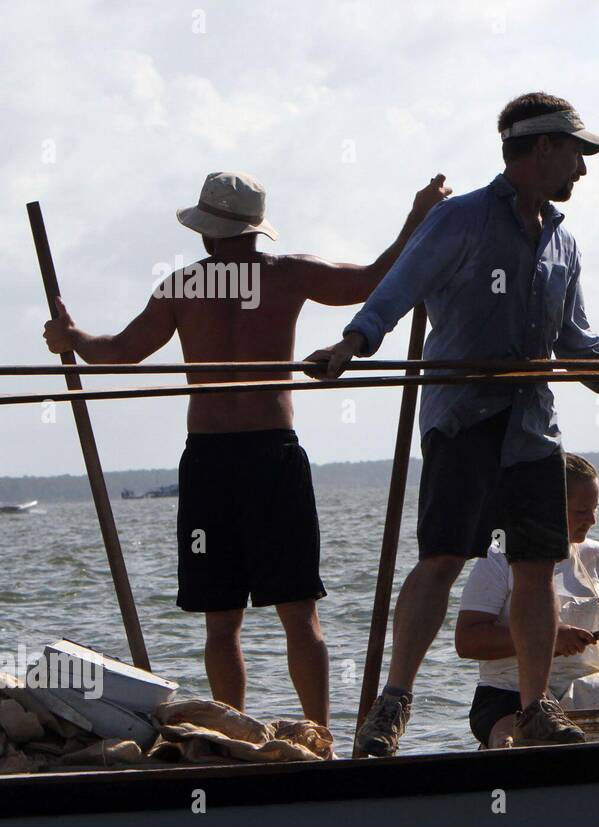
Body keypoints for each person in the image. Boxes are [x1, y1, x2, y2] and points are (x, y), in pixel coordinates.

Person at [307, 92, 599, 754]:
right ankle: (394, 704)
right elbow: (396, 291)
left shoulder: (563, 241)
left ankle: (535, 704)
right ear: (544, 148)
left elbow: (575, 346)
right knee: (441, 558)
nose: (583, 169)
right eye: (578, 153)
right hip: (463, 419)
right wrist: (350, 346)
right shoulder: (459, 222)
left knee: (534, 564)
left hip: (532, 429)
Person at [42, 169, 451, 730]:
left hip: (216, 459)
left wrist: (73, 338)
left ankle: (243, 732)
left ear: (206, 233)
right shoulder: (285, 274)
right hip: (267, 458)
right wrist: (416, 218)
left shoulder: (185, 285)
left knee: (225, 620)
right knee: (297, 614)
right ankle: (318, 736)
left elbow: (117, 352)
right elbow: (373, 280)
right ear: (257, 230)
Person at [456, 453, 599, 748]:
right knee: (509, 741)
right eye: (582, 511)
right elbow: (467, 640)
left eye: (595, 509)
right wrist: (547, 639)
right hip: (508, 693)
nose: (593, 520)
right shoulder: (499, 557)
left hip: (593, 687)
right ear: (551, 507)